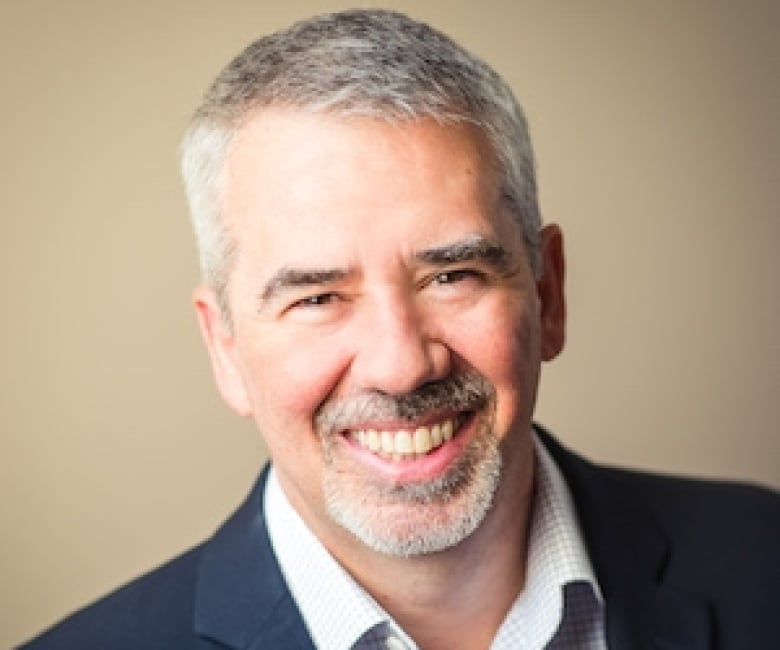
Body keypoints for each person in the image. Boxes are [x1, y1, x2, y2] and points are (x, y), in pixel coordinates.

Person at [21, 9, 779, 650]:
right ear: (224, 346)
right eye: (317, 298)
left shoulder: (764, 562)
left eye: (453, 276)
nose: (400, 365)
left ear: (548, 291)